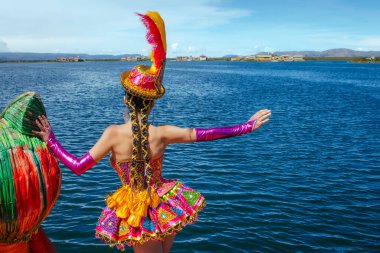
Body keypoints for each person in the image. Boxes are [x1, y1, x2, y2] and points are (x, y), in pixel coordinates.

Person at [32, 11, 271, 253]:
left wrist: (51, 140)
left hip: (137, 210)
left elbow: (78, 165)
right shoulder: (163, 133)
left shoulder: (112, 134)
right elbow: (206, 134)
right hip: (164, 203)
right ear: (152, 104)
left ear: (126, 100)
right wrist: (246, 127)